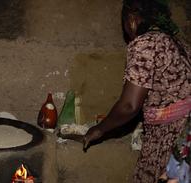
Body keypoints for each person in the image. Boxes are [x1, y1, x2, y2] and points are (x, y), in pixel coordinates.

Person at [60, 0, 191, 182]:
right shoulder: (179, 43)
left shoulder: (145, 43)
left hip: (169, 139)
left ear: (131, 19)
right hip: (186, 135)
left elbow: (129, 105)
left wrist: (99, 130)